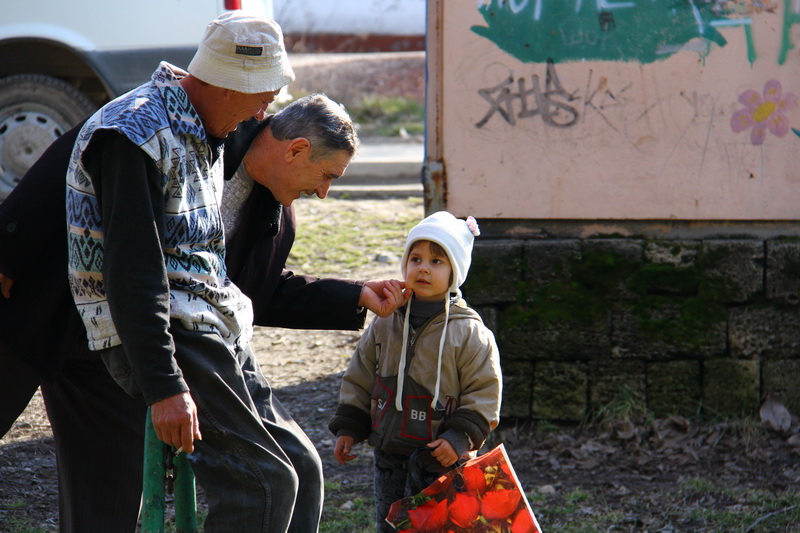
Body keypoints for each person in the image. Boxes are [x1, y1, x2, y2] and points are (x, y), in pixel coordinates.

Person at [62, 11, 403, 533]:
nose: (266, 112)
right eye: (262, 97)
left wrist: (353, 295)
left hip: (214, 327)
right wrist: (165, 387)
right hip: (170, 335)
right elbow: (135, 271)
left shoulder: (207, 130)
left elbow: (247, 281)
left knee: (304, 471)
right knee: (264, 484)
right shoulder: (132, 132)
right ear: (228, 82)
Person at [328, 211, 503, 532]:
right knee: (390, 522)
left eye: (437, 261)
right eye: (416, 258)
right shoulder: (385, 321)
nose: (423, 267)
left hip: (441, 456)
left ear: (456, 271)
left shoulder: (469, 333)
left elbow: (484, 392)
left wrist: (459, 438)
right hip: (389, 450)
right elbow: (360, 376)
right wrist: (350, 426)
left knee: (438, 526)